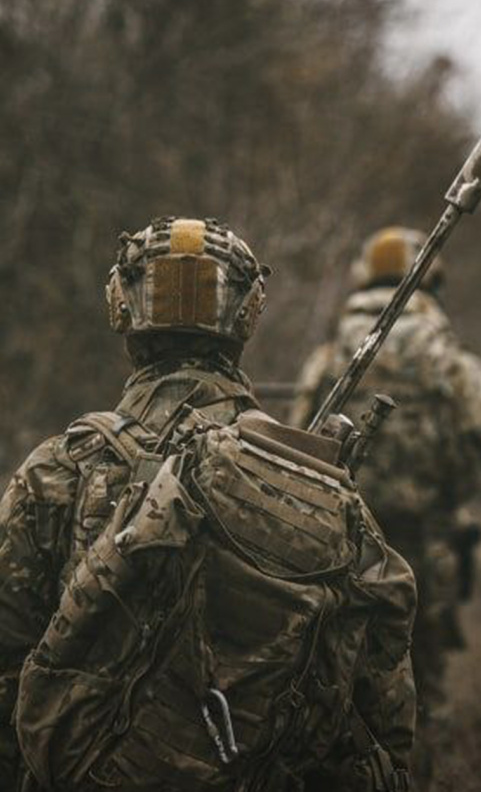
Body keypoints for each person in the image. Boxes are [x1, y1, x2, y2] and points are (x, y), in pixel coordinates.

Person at [0, 217, 416, 791]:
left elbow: (7, 667)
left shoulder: (57, 469)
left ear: (121, 307)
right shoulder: (317, 489)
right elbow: (381, 712)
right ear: (247, 315)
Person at [292, 225, 481, 781]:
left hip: (341, 542)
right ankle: (422, 771)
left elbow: (299, 439)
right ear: (432, 282)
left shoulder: (333, 352)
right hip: (425, 538)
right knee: (423, 669)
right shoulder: (448, 356)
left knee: (334, 672)